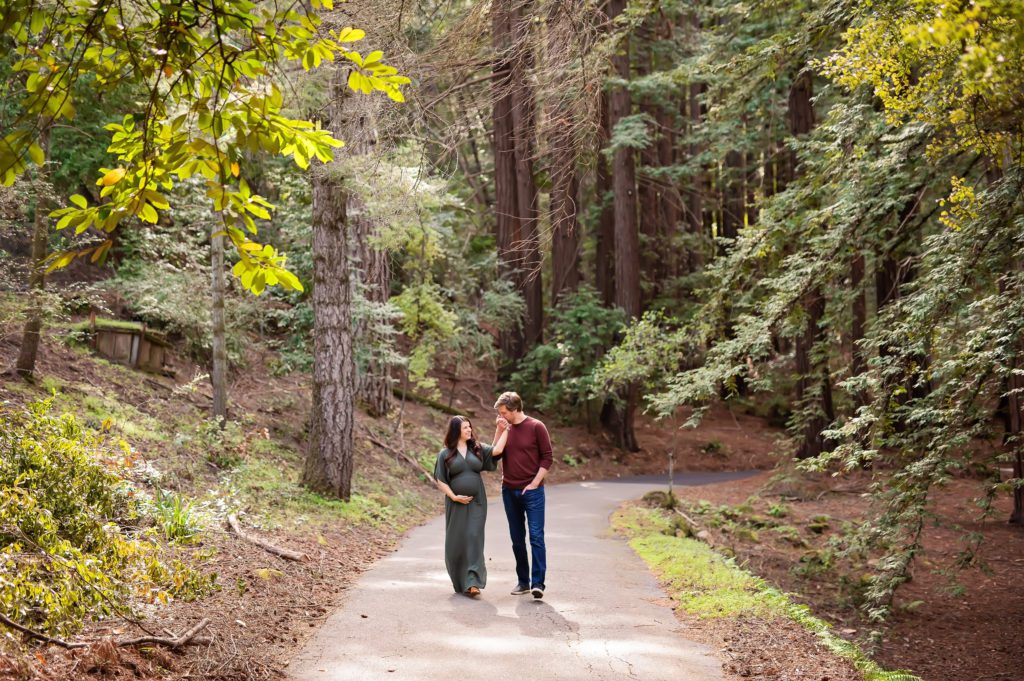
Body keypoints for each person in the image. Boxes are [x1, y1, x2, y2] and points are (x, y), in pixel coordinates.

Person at [433, 416, 509, 597]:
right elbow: (440, 479)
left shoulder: (477, 448)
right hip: (455, 503)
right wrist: (454, 496)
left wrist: (504, 429)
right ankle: (460, 580)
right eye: (465, 428)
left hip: (477, 502)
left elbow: (496, 450)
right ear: (456, 431)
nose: (469, 430)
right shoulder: (445, 454)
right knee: (456, 541)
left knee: (474, 536)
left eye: (469, 427)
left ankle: (472, 581)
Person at [493, 391, 553, 599]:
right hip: (509, 490)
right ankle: (523, 582)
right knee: (517, 538)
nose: (501, 416)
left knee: (536, 536)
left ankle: (538, 583)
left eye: (503, 413)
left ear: (515, 409)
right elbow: (495, 454)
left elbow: (547, 458)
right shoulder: (505, 427)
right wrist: (499, 430)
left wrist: (535, 483)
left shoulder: (536, 427)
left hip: (533, 491)